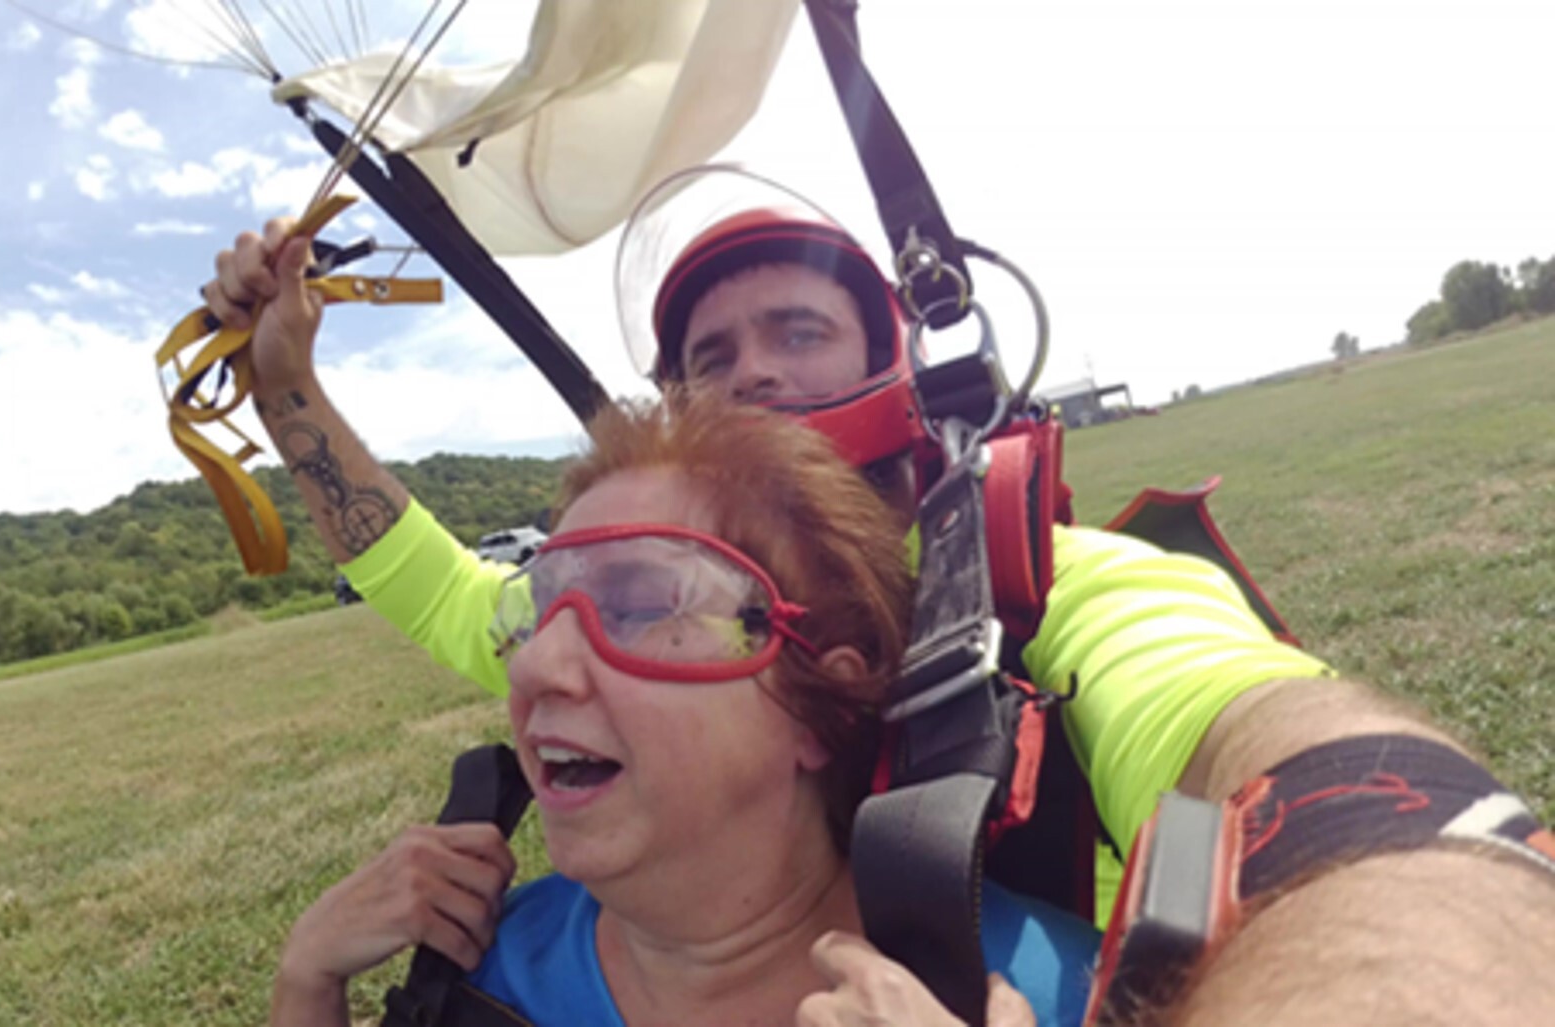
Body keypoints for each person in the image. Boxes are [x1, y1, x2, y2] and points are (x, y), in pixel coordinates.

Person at [205, 180, 1555, 1019]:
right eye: (709, 358)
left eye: (796, 331)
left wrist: (1420, 895)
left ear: (886, 366)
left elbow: (1266, 744)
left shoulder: (1047, 591)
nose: (751, 374)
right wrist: (285, 389)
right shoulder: (624, 615)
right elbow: (443, 584)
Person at [268, 397, 1095, 1026]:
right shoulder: (480, 960)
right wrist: (307, 982)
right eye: (540, 611)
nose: (536, 665)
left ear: (818, 708)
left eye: (640, 605)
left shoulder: (1064, 993)